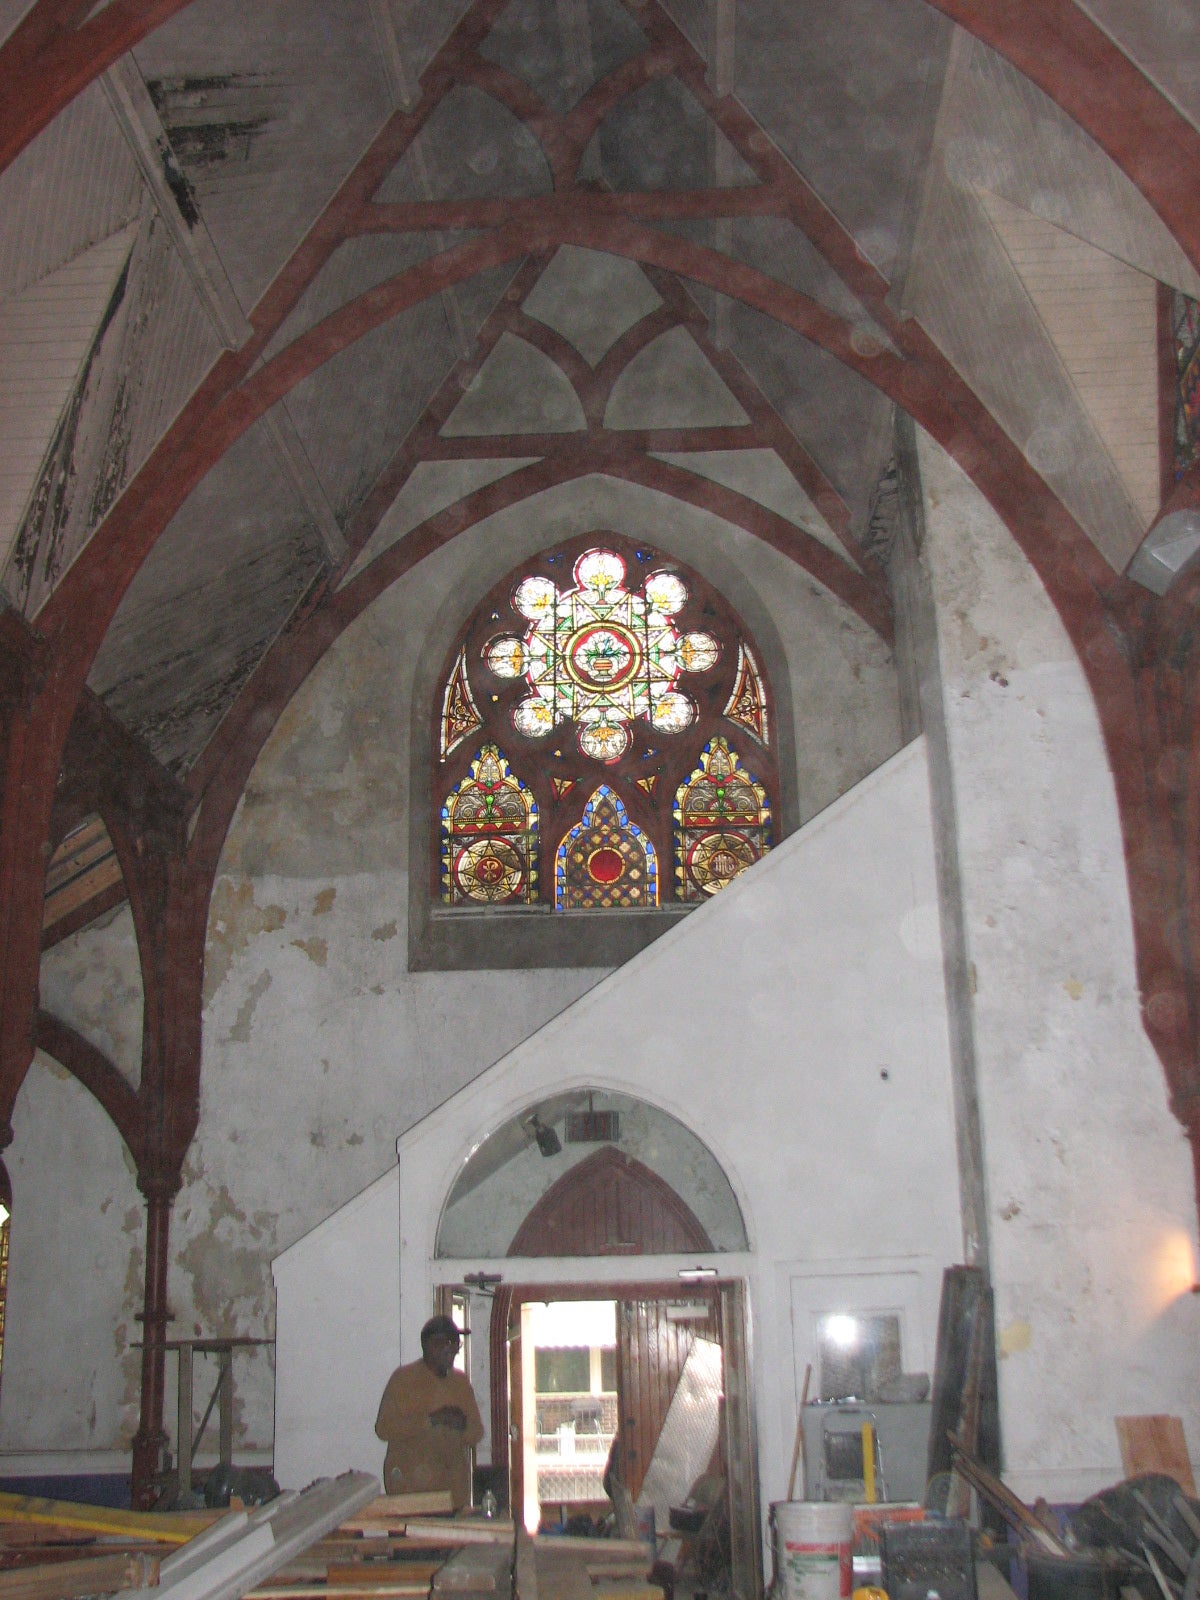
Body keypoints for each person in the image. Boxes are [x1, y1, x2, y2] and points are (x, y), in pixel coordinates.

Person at [375, 1315, 484, 1508]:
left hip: (453, 1496)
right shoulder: (404, 1380)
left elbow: (477, 1433)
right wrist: (432, 1420)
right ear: (429, 1346)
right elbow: (384, 1429)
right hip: (411, 1495)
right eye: (447, 1343)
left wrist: (461, 1424)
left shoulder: (460, 1382)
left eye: (456, 1344)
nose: (453, 1350)